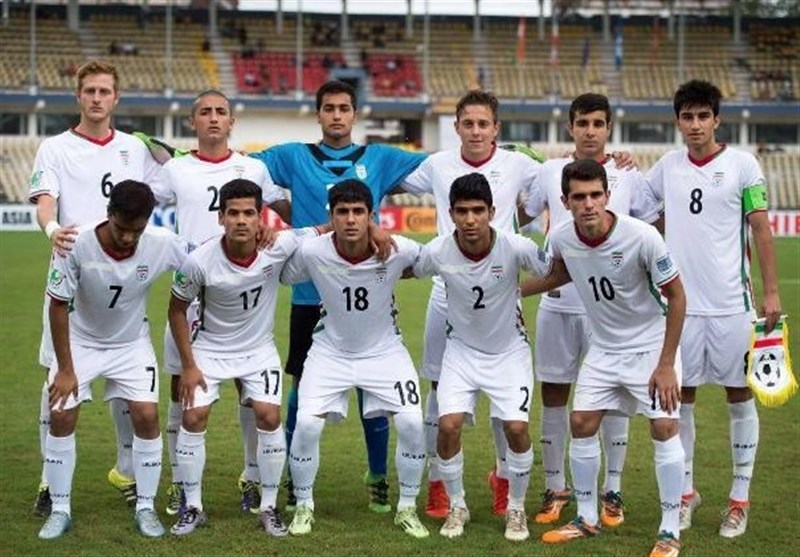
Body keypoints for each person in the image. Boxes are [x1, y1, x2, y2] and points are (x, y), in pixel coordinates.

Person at [249, 80, 427, 513]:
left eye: (344, 108)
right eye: (328, 108)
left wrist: (511, 154)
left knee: (373, 391)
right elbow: (240, 167)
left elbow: (444, 167)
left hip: (366, 289)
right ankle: (294, 477)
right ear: (318, 114)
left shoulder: (379, 157)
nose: (336, 115)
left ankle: (378, 475)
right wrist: (276, 208)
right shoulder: (293, 156)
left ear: (354, 114)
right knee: (301, 386)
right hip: (310, 294)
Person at [523, 159, 686, 557]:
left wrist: (666, 364)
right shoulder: (561, 236)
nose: (589, 204)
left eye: (596, 195)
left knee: (664, 427)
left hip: (650, 347)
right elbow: (559, 274)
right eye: (579, 197)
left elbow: (677, 296)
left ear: (608, 196)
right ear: (565, 201)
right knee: (581, 422)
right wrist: (509, 291)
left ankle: (669, 531)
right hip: (605, 347)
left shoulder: (642, 236)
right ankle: (586, 517)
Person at [642, 80, 782, 539]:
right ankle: (685, 494)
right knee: (679, 399)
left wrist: (771, 292)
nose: (696, 124)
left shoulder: (743, 165)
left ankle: (739, 500)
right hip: (681, 309)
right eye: (688, 116)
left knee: (739, 396)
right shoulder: (667, 166)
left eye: (704, 116)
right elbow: (641, 208)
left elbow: (760, 228)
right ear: (678, 122)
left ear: (717, 119)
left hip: (732, 307)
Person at [28, 60, 166, 517]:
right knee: (56, 385)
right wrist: (53, 231)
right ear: (78, 96)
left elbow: (165, 190)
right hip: (72, 273)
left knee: (130, 387)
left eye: (104, 91)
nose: (96, 98)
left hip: (122, 276)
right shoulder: (54, 147)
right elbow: (45, 202)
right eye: (89, 90)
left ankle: (126, 471)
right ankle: (49, 480)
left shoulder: (135, 148)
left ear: (116, 98)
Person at [399, 90, 544, 519]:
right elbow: (389, 179)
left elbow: (556, 188)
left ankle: (504, 478)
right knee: (438, 391)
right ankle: (438, 484)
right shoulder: (437, 165)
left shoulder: (519, 164)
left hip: (498, 291)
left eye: (484, 124)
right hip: (446, 289)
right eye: (468, 124)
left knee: (505, 398)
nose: (476, 131)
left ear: (496, 128)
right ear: (457, 127)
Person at [150, 89, 291, 518]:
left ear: (232, 122)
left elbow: (284, 209)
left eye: (221, 112)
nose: (213, 118)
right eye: (205, 112)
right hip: (192, 288)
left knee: (252, 393)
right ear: (193, 121)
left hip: (241, 292)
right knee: (181, 390)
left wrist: (276, 228)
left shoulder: (254, 168)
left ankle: (252, 476)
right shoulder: (175, 169)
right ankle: (180, 484)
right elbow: (138, 205)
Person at [521, 92, 659, 527]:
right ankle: (555, 486)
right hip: (558, 302)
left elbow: (653, 226)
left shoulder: (628, 174)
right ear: (570, 128)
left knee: (613, 401)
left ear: (609, 128)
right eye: (582, 123)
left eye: (598, 123)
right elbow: (520, 213)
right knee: (555, 394)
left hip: (612, 313)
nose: (590, 131)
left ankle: (611, 490)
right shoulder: (550, 171)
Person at [38, 180, 187, 540]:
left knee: (147, 415)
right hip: (81, 342)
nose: (128, 238)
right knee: (61, 413)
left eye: (137, 230)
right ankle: (59, 510)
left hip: (131, 344)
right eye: (121, 229)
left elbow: (204, 260)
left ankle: (145, 508)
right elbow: (57, 306)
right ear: (109, 215)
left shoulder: (163, 242)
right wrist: (66, 369)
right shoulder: (75, 242)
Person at [280, 180, 428, 539]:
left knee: (412, 424)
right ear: (331, 217)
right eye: (342, 212)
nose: (350, 219)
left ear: (371, 215)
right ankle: (304, 505)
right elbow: (283, 273)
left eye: (358, 212)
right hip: (329, 352)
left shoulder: (397, 248)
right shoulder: (313, 252)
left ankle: (407, 508)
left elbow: (431, 261)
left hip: (385, 352)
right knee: (307, 425)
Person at [412, 173, 554, 541]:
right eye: (462, 211)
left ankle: (516, 508)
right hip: (461, 352)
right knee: (447, 426)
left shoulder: (517, 247)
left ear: (492, 212)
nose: (470, 219)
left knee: (516, 429)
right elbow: (405, 266)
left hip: (509, 352)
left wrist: (519, 292)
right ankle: (457, 505)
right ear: (451, 214)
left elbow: (557, 271)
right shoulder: (438, 251)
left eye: (478, 210)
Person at [168, 179, 303, 537]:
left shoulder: (279, 246)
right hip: (210, 349)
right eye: (233, 213)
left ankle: (269, 507)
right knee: (193, 416)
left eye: (248, 213)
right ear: (221, 218)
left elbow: (322, 230)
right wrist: (188, 366)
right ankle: (192, 506)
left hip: (259, 350)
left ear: (260, 218)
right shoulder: (198, 261)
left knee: (269, 415)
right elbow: (177, 311)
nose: (241, 220)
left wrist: (373, 230)